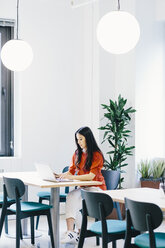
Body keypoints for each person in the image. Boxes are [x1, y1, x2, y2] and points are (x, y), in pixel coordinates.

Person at [60, 126, 106, 244]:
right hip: (84, 188)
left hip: (97, 188)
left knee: (74, 203)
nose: (78, 142)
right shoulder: (77, 153)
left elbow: (91, 176)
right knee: (71, 197)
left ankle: (80, 234)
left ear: (88, 139)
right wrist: (60, 176)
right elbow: (70, 171)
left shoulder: (96, 154)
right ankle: (71, 232)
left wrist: (71, 177)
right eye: (77, 139)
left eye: (81, 139)